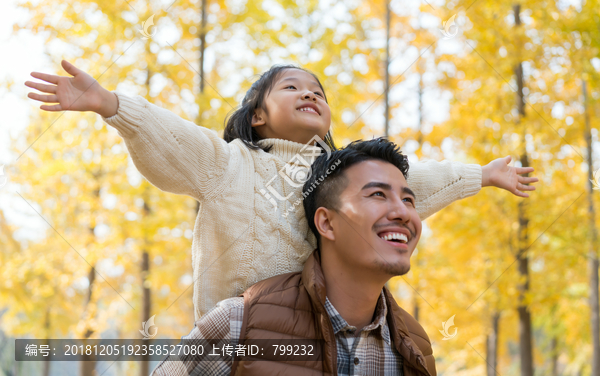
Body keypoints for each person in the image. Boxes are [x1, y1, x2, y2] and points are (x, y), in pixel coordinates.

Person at [25, 61, 538, 321]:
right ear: (257, 115)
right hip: (236, 339)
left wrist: (481, 175)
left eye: (318, 90)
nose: (310, 93)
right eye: (291, 87)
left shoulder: (340, 175)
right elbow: (173, 137)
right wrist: (112, 105)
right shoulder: (227, 163)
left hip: (321, 339)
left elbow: (409, 186)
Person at [151, 138, 438, 376]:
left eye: (408, 200)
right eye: (377, 194)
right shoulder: (241, 323)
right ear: (326, 223)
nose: (403, 212)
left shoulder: (417, 345)